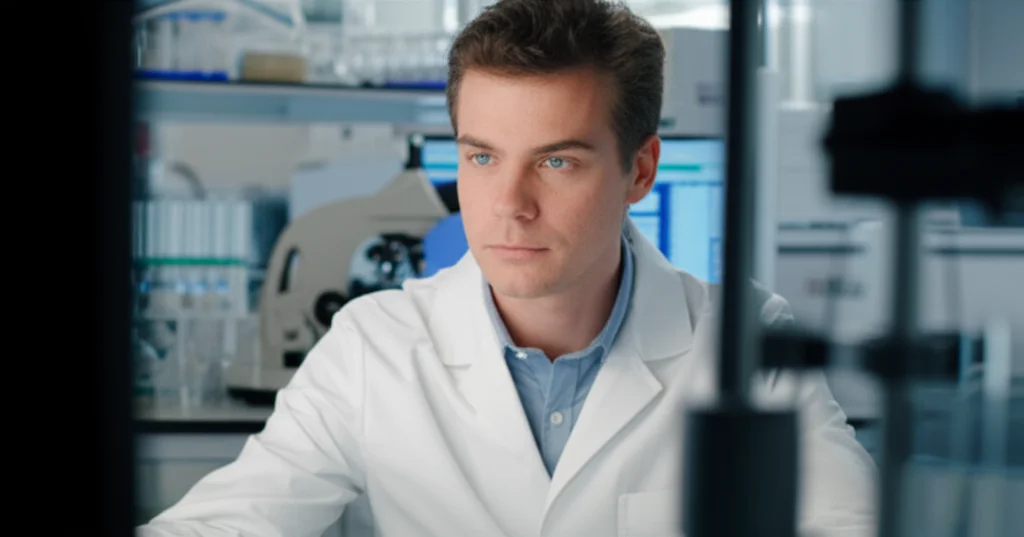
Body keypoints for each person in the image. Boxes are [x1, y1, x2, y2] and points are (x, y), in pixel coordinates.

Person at [138, 1, 877, 536]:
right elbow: (224, 523)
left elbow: (850, 521)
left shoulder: (746, 339)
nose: (508, 205)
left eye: (557, 161)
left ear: (640, 169)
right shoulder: (376, 345)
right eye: (482, 157)